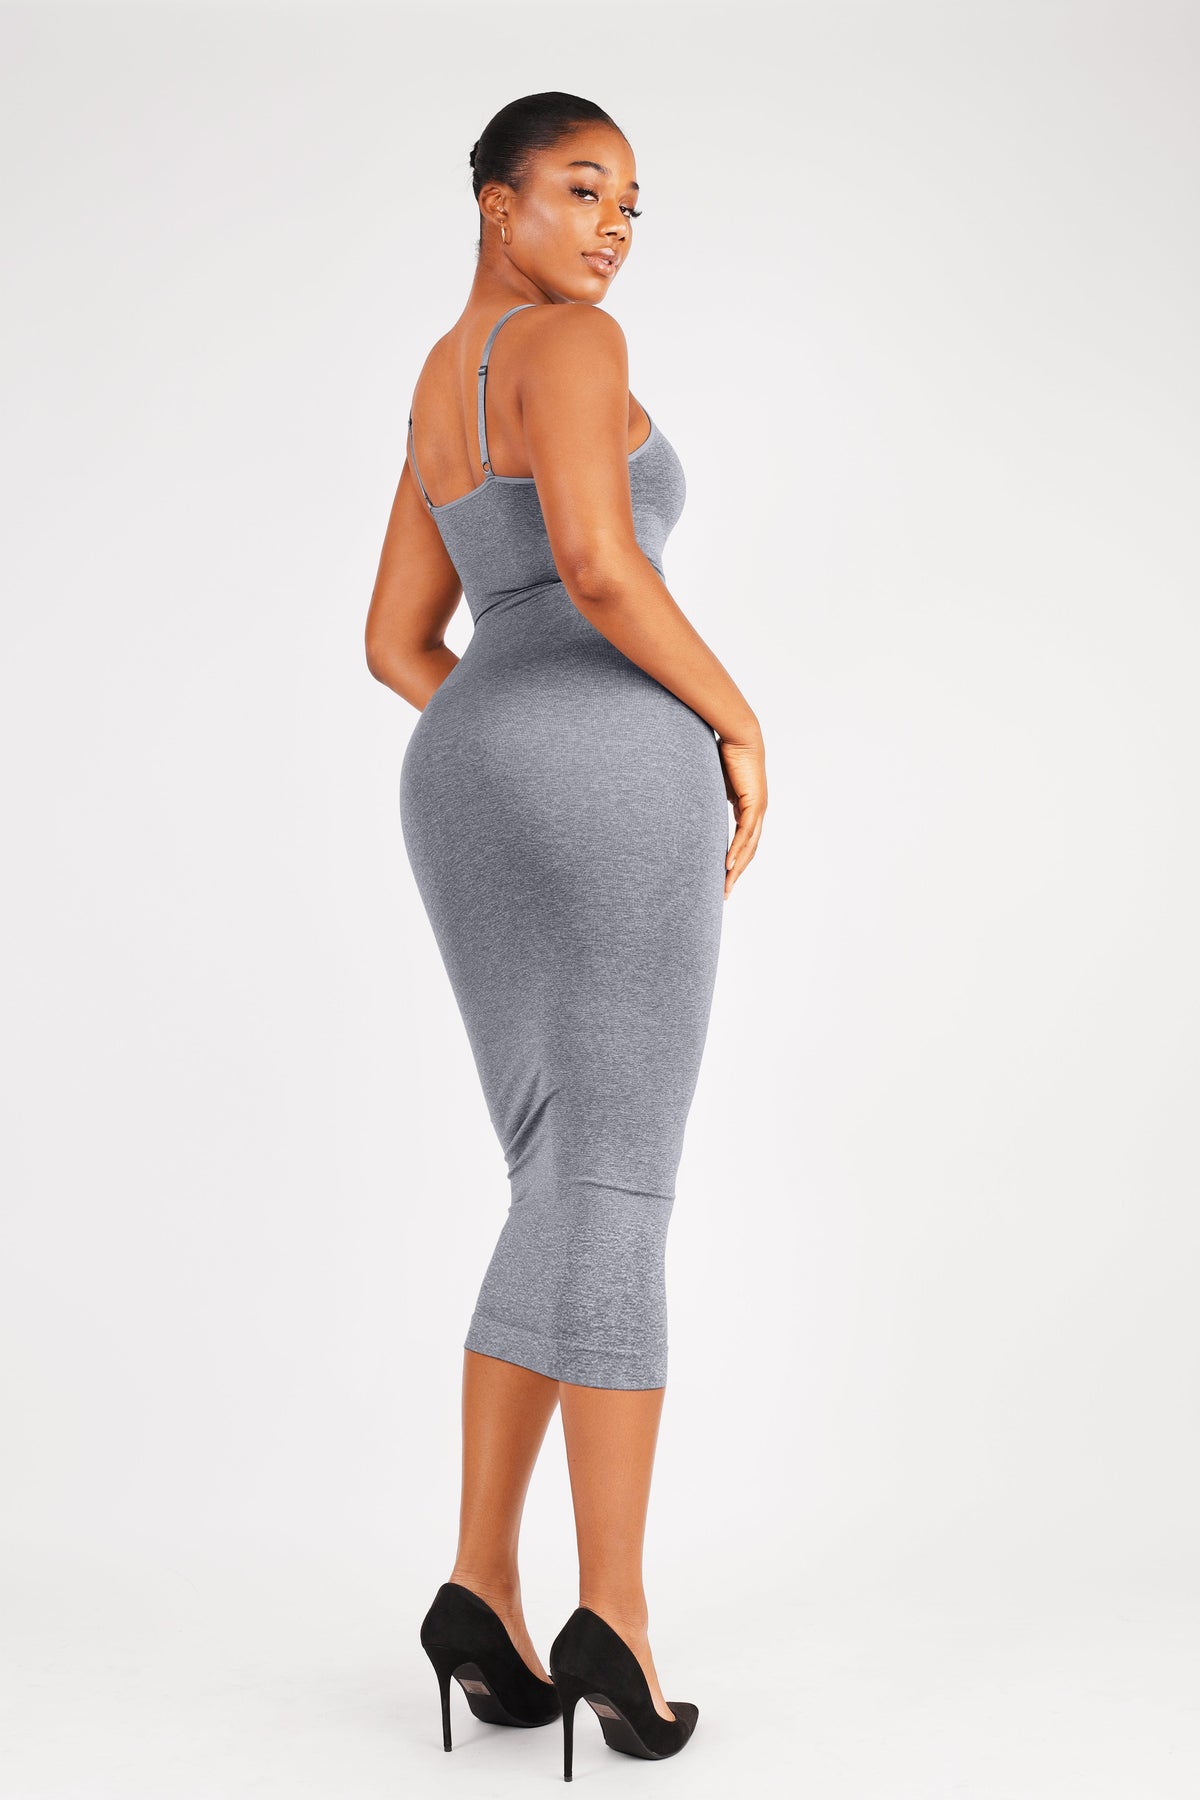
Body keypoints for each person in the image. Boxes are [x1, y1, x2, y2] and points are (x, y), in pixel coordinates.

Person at [364, 91, 767, 1777]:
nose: (611, 228)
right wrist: (734, 720)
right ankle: (617, 1616)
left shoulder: (437, 381)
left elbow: (400, 642)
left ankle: (480, 1586)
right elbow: (600, 565)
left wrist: (508, 733)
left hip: (460, 770)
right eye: (582, 188)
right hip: (605, 758)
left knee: (555, 1176)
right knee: (615, 1185)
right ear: (495, 200)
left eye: (630, 206)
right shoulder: (572, 345)